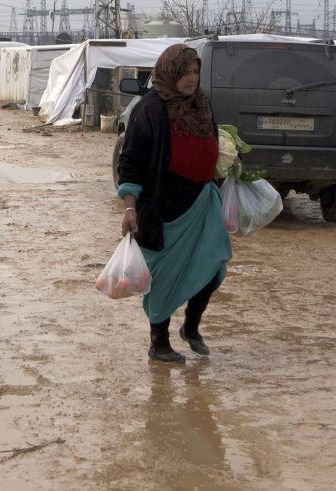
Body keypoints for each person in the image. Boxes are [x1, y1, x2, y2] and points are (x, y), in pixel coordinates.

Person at [117, 44, 232, 364]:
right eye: (185, 72)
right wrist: (130, 207)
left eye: (195, 72)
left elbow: (212, 144)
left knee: (213, 268)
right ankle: (159, 342)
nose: (192, 78)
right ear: (169, 73)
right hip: (163, 208)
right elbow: (131, 162)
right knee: (164, 277)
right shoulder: (150, 109)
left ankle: (191, 327)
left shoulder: (202, 104)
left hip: (202, 202)